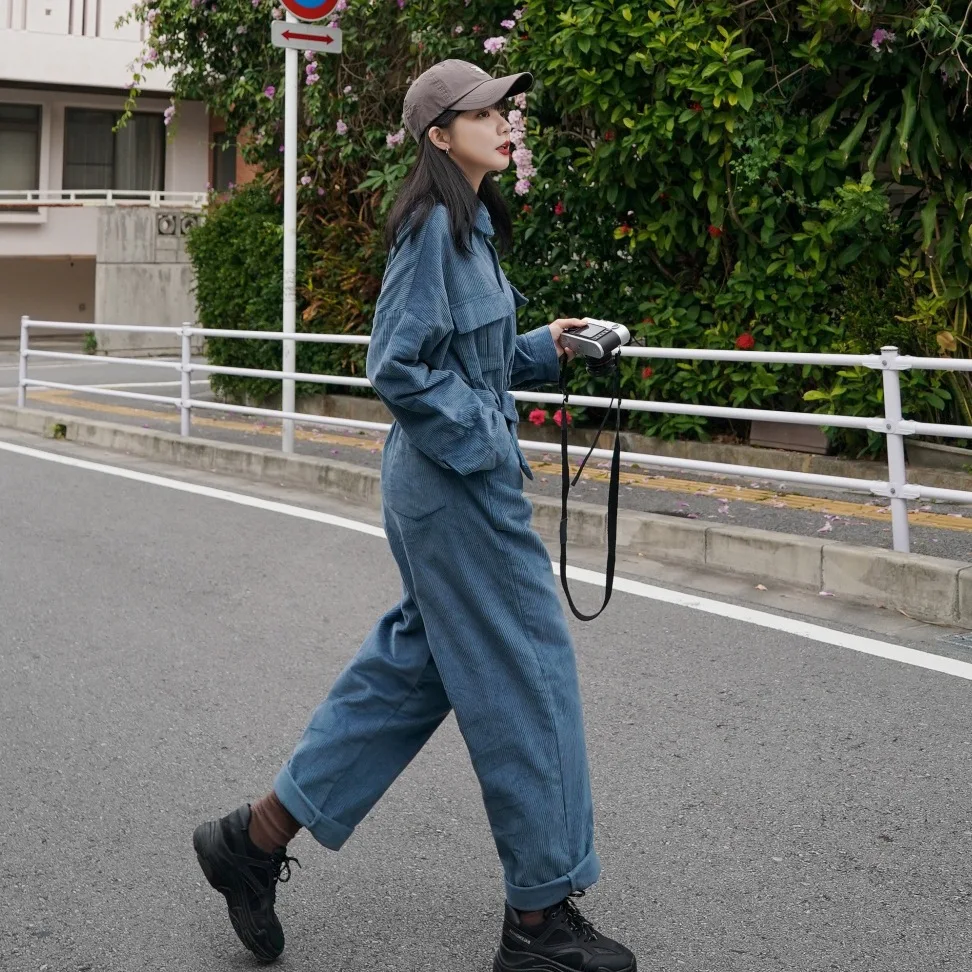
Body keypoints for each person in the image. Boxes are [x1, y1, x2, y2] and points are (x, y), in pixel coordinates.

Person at [192, 58, 637, 972]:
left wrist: (544, 347)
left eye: (506, 111)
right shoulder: (433, 226)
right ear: (441, 134)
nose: (507, 123)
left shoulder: (470, 228)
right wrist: (490, 437)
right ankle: (540, 922)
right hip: (456, 486)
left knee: (412, 671)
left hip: (445, 483)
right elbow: (395, 365)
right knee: (527, 675)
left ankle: (254, 839)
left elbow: (462, 356)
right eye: (487, 113)